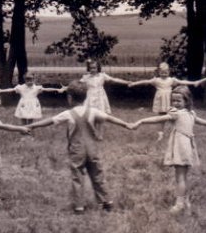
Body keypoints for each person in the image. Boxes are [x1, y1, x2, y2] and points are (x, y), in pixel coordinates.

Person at [27, 80, 133, 214]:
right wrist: (126, 124)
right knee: (97, 175)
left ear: (70, 98)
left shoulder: (68, 114)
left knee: (77, 177)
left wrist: (31, 125)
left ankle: (79, 207)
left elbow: (49, 121)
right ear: (86, 97)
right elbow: (110, 118)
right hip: (92, 150)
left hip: (77, 151)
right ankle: (107, 202)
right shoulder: (93, 111)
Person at [128, 86, 206, 213]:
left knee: (180, 177)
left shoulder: (178, 114)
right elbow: (201, 121)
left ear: (187, 101)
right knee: (184, 176)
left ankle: (180, 203)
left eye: (178, 101)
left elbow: (158, 119)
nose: (175, 103)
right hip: (187, 146)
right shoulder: (190, 113)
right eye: (173, 101)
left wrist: (142, 121)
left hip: (181, 147)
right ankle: (185, 200)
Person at [0, 72, 67, 125]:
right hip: (23, 103)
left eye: (31, 80)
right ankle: (23, 129)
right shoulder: (21, 88)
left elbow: (47, 89)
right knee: (23, 117)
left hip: (33, 103)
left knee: (30, 117)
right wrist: (0, 91)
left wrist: (57, 89)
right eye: (27, 80)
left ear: (33, 80)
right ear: (25, 80)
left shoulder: (37, 88)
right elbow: (11, 90)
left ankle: (29, 129)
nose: (29, 82)